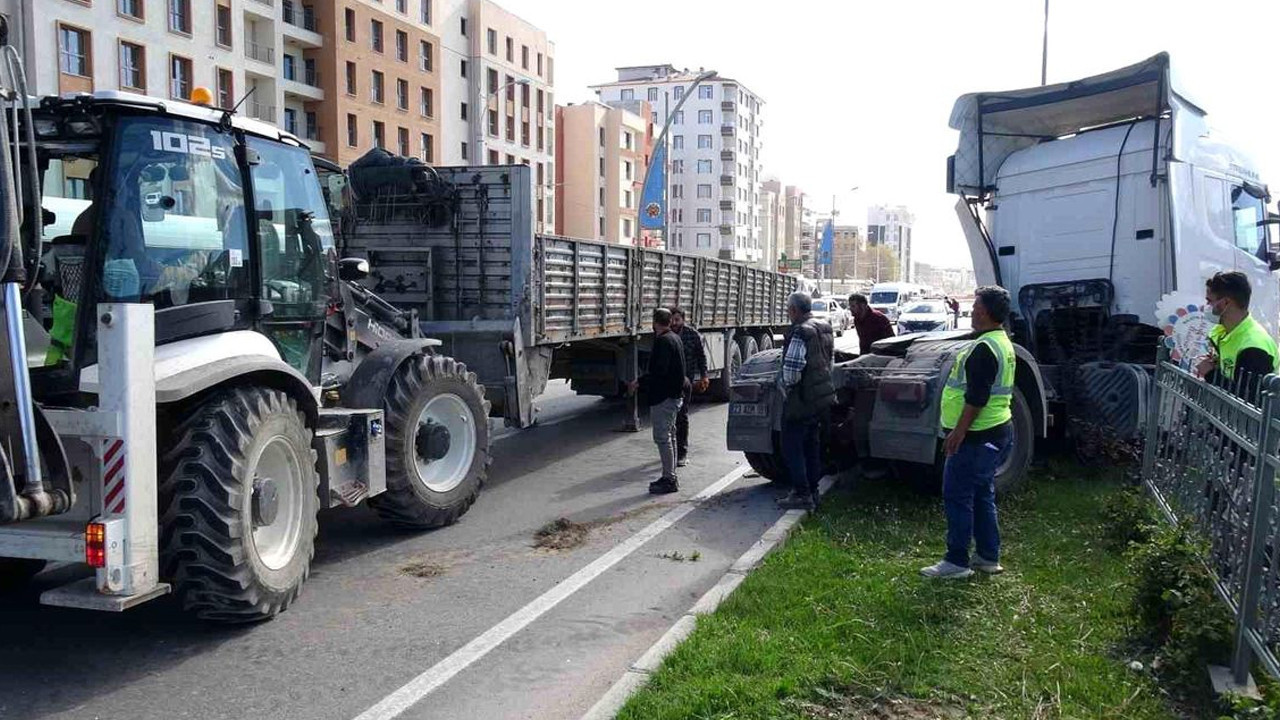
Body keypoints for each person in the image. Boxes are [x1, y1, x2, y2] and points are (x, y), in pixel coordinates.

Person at [921, 285, 1015, 580]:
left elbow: (977, 397)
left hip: (976, 436)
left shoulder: (984, 348)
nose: (971, 312)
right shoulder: (1001, 341)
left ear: (983, 312)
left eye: (974, 307)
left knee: (957, 496)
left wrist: (958, 433)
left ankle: (957, 561)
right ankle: (988, 556)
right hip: (994, 432)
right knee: (981, 495)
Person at [776, 292, 836, 510]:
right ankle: (813, 491)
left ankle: (801, 493)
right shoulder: (824, 326)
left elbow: (792, 370)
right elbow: (830, 361)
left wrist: (785, 386)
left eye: (788, 309)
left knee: (792, 447)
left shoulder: (800, 331)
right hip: (820, 398)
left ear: (794, 310)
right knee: (812, 446)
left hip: (801, 399)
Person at [627, 308, 687, 495]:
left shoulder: (663, 341)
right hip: (674, 396)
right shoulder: (675, 338)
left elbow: (659, 371)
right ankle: (670, 475)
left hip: (664, 397)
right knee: (670, 435)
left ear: (655, 323)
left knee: (663, 438)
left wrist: (639, 382)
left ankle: (669, 479)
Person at [1195, 271, 1278, 400]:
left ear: (1225, 303)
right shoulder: (1223, 332)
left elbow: (1250, 400)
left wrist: (1211, 373)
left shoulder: (1254, 345)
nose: (1206, 306)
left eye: (1209, 301)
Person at [669, 308, 709, 466]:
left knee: (682, 415)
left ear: (683, 320)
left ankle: (682, 452)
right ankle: (670, 451)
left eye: (677, 320)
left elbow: (701, 356)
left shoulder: (692, 335)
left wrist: (704, 375)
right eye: (672, 320)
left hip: (686, 382)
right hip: (669, 382)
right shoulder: (666, 335)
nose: (674, 323)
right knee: (669, 417)